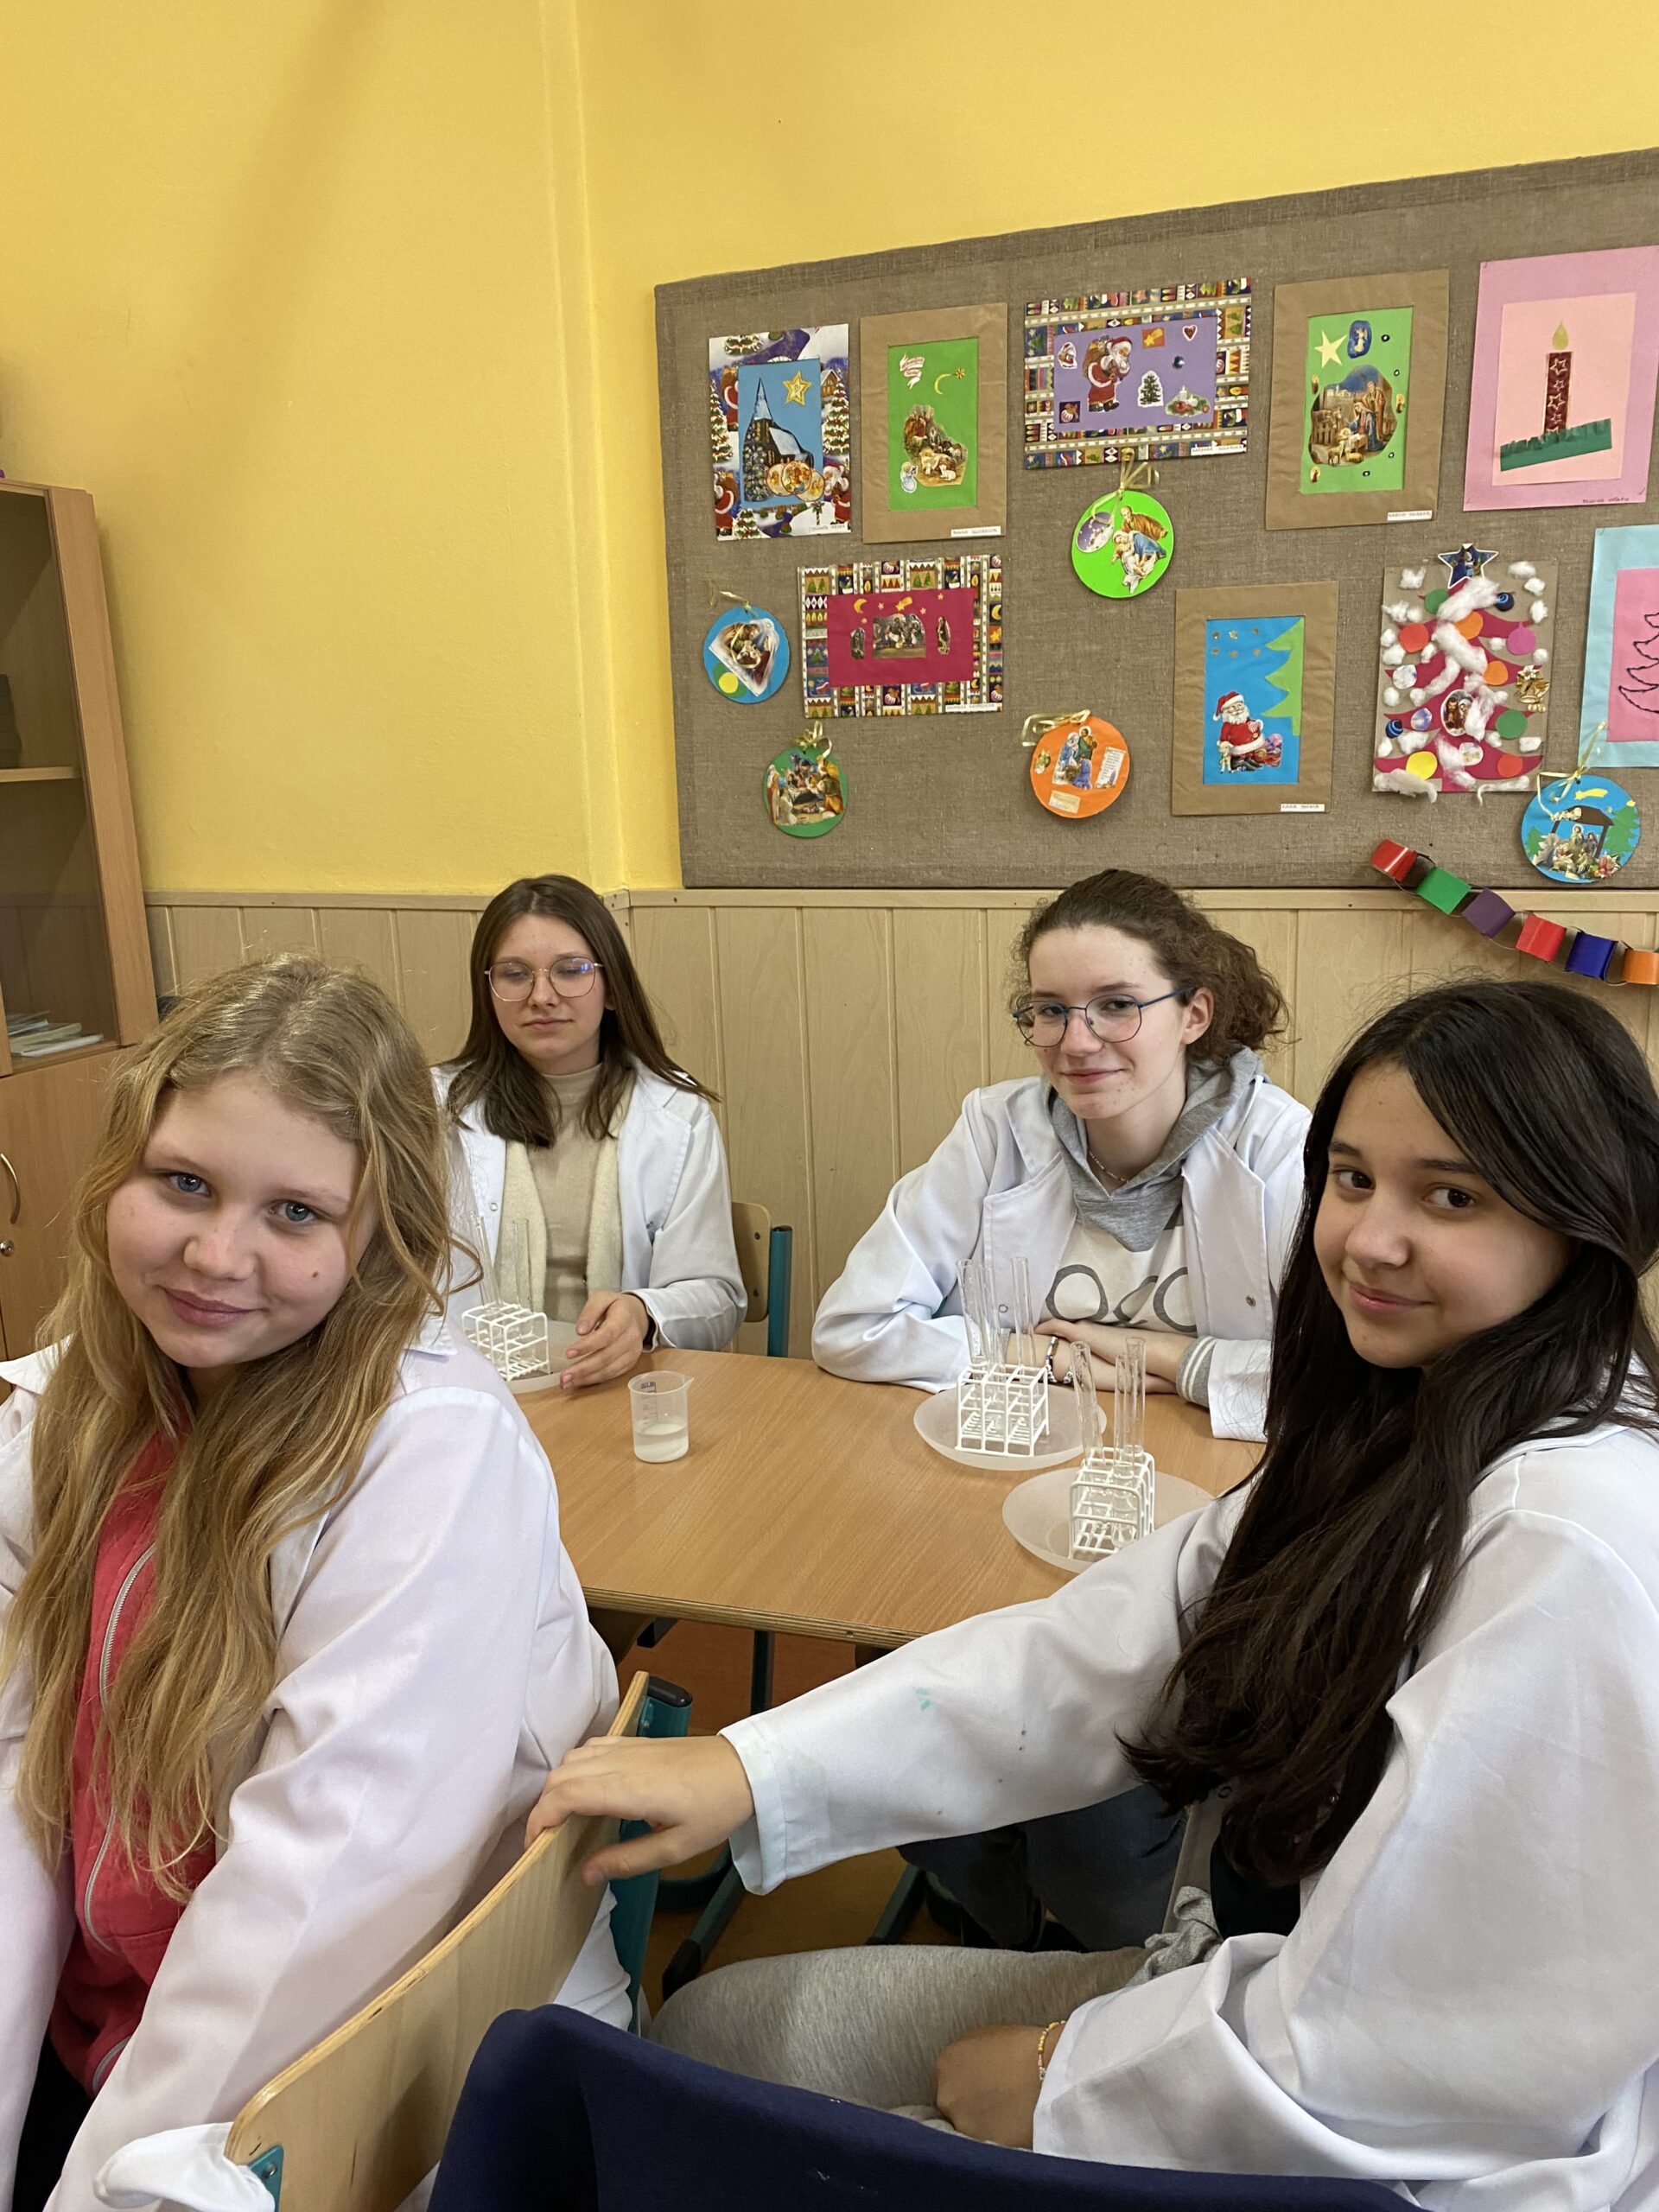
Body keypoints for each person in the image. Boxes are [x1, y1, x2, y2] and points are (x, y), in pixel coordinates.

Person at [532, 979, 1659, 2210]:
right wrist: (754, 1767)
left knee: (718, 2119)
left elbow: (1419, 2049)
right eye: (1351, 1179)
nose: (1369, 1241)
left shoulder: (1565, 1540)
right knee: (716, 2030)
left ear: (1591, 1219)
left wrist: (1058, 2077)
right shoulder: (1409, 1421)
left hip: (1379, 2145)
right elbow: (1114, 1639)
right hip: (1250, 1981)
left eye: (1451, 1197)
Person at [2, 957, 628, 2212]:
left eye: (295, 1212)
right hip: (115, 2005)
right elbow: (16, 1780)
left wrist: (91, 2193)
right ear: (118, 1172)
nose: (214, 1253)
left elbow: (317, 1896)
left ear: (379, 1232)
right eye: (184, 1182)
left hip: (364, 2071)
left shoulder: (431, 1453)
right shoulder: (63, 1409)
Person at [813, 870, 1309, 1450]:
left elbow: (1351, 1379)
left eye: (1117, 1004)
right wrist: (1043, 1358)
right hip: (1020, 1451)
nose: (1076, 1042)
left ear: (1193, 1015)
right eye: (1050, 1010)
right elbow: (853, 1327)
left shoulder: (1275, 1146)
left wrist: (1175, 1360)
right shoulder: (996, 1130)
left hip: (1209, 1462)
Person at [437, 875, 744, 1391]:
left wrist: (643, 1313)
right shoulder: (434, 1109)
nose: (541, 997)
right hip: (470, 1388)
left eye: (571, 970)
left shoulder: (677, 1115)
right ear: (487, 992)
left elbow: (717, 1298)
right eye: (514, 975)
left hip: (620, 1389)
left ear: (613, 988)